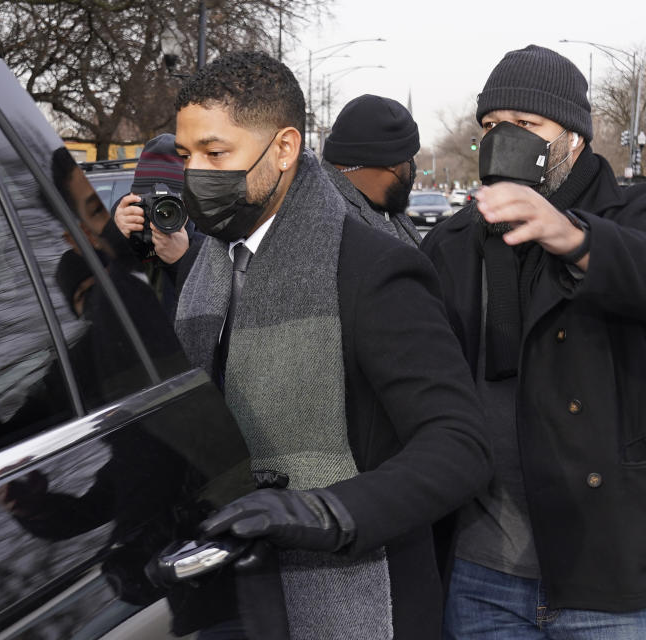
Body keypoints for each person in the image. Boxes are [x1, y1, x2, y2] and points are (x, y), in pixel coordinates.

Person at [172, 50, 492, 639]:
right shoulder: (206, 271)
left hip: (367, 600)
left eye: (216, 154)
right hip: (234, 601)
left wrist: (323, 511)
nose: (196, 173)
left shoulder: (373, 269)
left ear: (286, 149)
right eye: (186, 155)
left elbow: (459, 445)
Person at [419, 45, 646, 639]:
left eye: (528, 126)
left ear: (575, 141)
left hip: (609, 566)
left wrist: (572, 236)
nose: (503, 138)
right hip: (483, 569)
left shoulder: (639, 208)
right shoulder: (455, 241)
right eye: (491, 126)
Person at [113, 133, 198, 319]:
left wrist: (182, 262)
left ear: (186, 202)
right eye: (151, 202)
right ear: (134, 197)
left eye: (169, 204)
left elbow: (212, 315)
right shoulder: (121, 224)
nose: (160, 214)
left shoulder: (207, 240)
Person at [321, 94, 422, 246]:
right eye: (410, 159)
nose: (413, 169)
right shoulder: (331, 224)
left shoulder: (386, 213)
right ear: (393, 163)